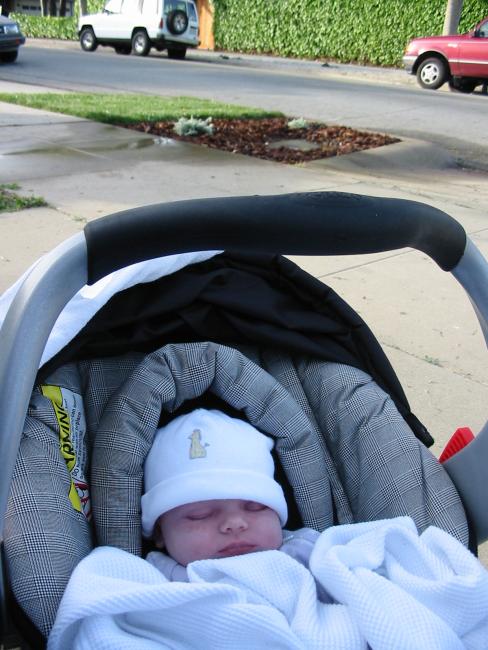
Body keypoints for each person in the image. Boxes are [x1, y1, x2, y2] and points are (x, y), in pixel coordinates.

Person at [141, 408, 319, 580]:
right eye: (200, 515)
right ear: (159, 532)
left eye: (257, 506)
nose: (235, 523)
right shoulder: (144, 581)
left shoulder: (314, 555)